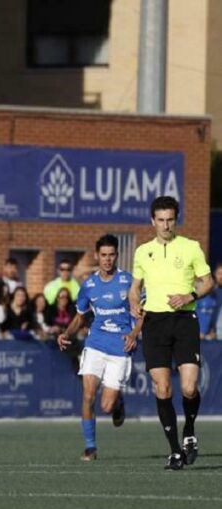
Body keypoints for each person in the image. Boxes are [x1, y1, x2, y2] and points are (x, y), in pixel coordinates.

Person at [129, 195, 215, 470]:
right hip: (154, 323)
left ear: (176, 220)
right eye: (161, 220)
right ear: (153, 221)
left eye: (170, 220)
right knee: (162, 387)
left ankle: (189, 431)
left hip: (184, 319)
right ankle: (175, 451)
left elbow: (208, 282)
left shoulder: (190, 247)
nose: (165, 225)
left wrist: (188, 294)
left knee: (189, 387)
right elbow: (135, 286)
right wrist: (133, 300)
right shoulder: (142, 251)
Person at [57, 235, 142, 461]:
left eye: (111, 255)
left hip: (120, 348)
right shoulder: (89, 286)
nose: (107, 259)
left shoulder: (128, 281)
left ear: (117, 255)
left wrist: (134, 333)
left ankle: (118, 403)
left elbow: (144, 311)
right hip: (95, 344)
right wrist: (66, 333)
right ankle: (90, 447)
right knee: (87, 396)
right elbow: (80, 317)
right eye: (103, 255)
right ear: (97, 256)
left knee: (106, 406)